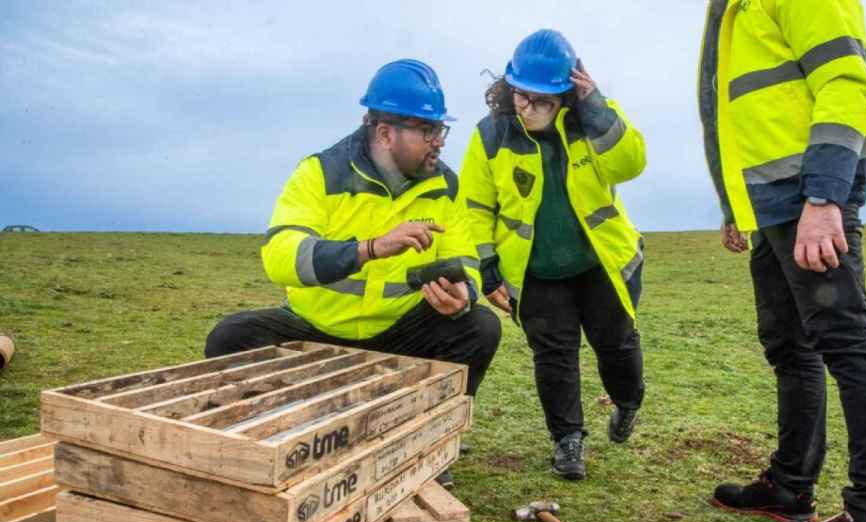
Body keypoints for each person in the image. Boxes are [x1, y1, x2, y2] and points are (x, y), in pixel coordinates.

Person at [205, 59, 501, 487]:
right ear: (385, 133)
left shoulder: (446, 187)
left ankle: (431, 439)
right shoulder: (319, 174)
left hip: (399, 336)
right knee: (229, 337)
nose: (438, 141)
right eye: (427, 130)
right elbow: (280, 255)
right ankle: (278, 438)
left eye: (440, 130)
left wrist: (465, 292)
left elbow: (465, 256)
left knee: (479, 326)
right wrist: (368, 249)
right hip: (315, 334)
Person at [698, 1, 866, 522]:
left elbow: (844, 80)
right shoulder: (733, 9)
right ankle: (791, 483)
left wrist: (824, 197)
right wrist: (735, 206)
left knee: (846, 341)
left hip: (807, 195)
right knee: (789, 348)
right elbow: (736, 114)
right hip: (769, 204)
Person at [461, 29, 647, 481]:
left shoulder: (596, 119)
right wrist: (487, 270)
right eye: (519, 94)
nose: (525, 106)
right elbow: (473, 207)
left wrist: (598, 109)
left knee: (617, 345)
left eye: (538, 99)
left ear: (566, 94)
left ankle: (627, 402)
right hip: (536, 272)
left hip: (599, 264)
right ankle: (567, 441)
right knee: (553, 355)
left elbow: (631, 164)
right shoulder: (490, 135)